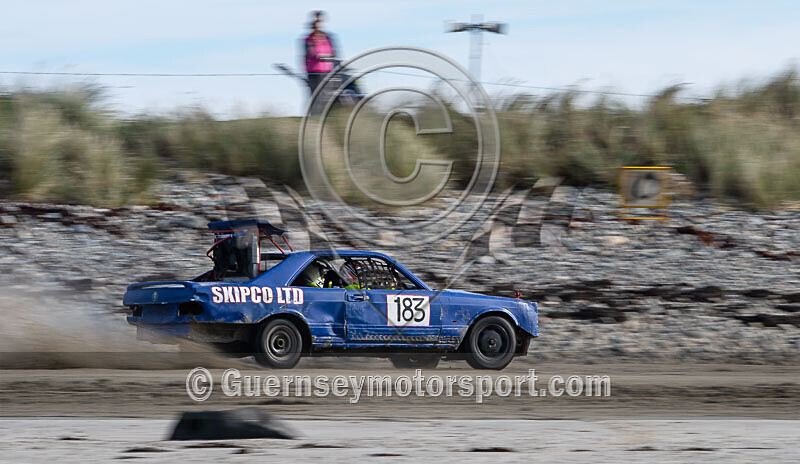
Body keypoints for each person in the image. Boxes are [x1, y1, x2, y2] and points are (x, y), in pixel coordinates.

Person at [302, 11, 338, 95]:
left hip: (327, 73)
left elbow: (335, 55)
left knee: (328, 98)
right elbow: (306, 57)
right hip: (313, 73)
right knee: (315, 98)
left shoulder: (328, 38)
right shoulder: (308, 39)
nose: (317, 24)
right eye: (315, 21)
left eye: (319, 21)